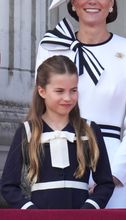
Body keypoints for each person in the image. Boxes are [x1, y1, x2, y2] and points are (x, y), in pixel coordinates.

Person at [35, 0, 126, 208]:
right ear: (73, 2)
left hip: (112, 165)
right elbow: (40, 109)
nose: (92, 0)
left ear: (112, 1)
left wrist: (114, 173)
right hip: (60, 162)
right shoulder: (52, 47)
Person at [1, 55, 114, 209]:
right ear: (42, 91)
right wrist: (31, 211)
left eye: (73, 90)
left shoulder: (90, 130)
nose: (67, 98)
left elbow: (106, 183)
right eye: (59, 91)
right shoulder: (27, 131)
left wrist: (89, 209)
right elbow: (8, 186)